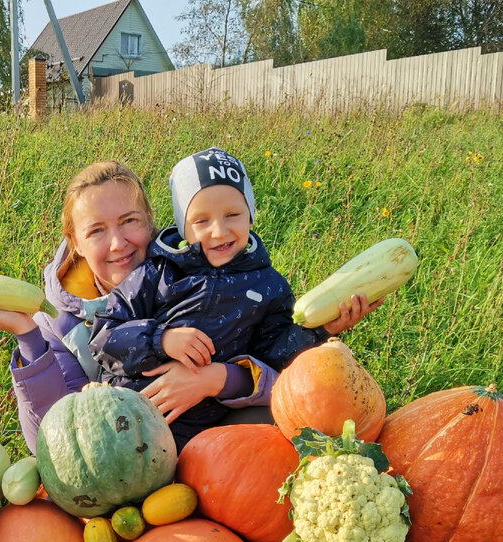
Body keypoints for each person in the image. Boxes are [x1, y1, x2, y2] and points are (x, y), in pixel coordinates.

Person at [0, 160, 298, 451]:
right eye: (96, 230)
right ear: (75, 242)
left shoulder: (196, 278)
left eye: (129, 222)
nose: (118, 243)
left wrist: (218, 378)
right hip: (127, 461)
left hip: (212, 451)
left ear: (152, 223)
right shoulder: (57, 323)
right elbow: (52, 441)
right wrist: (27, 335)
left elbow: (281, 376)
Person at [88, 147, 377, 449]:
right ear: (182, 226)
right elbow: (104, 337)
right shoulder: (157, 273)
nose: (219, 231)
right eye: (201, 221)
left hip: (203, 438)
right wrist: (161, 339)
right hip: (123, 421)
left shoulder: (268, 285)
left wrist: (321, 329)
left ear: (251, 216)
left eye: (233, 215)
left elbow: (274, 355)